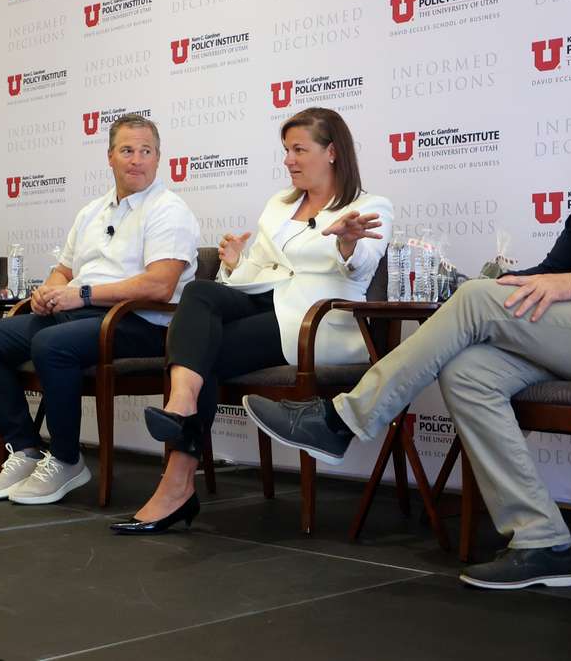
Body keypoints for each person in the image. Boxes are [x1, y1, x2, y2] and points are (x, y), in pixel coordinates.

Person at [245, 55, 571, 589]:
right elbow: (551, 270)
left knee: (478, 302)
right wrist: (490, 283)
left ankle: (342, 421)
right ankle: (542, 541)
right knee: (468, 370)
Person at [110, 107, 394, 534]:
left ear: (332, 152)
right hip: (266, 302)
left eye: (299, 150)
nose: (289, 160)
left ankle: (176, 484)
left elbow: (361, 269)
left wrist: (348, 245)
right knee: (200, 293)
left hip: (314, 324)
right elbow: (255, 274)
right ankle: (181, 409)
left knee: (201, 356)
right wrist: (234, 264)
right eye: (286, 150)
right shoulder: (280, 205)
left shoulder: (369, 206)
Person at [0, 114, 200, 505]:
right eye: (127, 150)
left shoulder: (169, 210)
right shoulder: (92, 211)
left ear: (159, 158)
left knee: (52, 344)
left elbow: (160, 286)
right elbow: (64, 270)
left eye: (146, 151)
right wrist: (49, 291)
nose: (136, 160)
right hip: (78, 315)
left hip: (138, 324)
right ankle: (25, 450)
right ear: (110, 157)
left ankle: (67, 459)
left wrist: (83, 294)